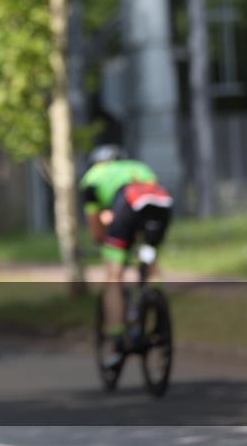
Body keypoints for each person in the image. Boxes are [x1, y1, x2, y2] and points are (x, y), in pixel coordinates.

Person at [79, 145, 173, 365]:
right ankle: (156, 300)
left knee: (114, 277)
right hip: (162, 206)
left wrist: (107, 245)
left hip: (126, 207)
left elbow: (96, 227)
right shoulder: (140, 167)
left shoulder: (92, 177)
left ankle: (116, 336)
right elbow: (147, 202)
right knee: (149, 256)